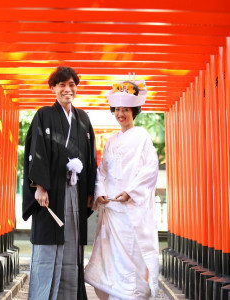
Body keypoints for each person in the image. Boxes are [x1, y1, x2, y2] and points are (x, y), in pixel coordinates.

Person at [22, 66, 96, 300]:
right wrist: (40, 187)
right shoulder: (44, 114)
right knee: (48, 244)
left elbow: (91, 156)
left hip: (75, 189)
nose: (67, 89)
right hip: (52, 193)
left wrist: (90, 191)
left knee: (71, 242)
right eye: (62, 85)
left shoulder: (83, 118)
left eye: (72, 84)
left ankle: (69, 295)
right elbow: (37, 151)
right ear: (53, 88)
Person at [84, 80, 159, 300]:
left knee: (131, 258)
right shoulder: (111, 141)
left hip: (131, 213)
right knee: (110, 258)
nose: (121, 114)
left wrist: (132, 191)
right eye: (117, 109)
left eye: (125, 109)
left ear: (134, 112)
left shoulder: (142, 137)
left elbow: (151, 169)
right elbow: (103, 172)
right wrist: (100, 192)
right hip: (112, 212)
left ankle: (130, 295)